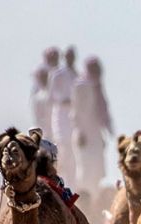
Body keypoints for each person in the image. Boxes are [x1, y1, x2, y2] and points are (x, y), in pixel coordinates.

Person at [71, 57, 113, 192]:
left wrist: (106, 131)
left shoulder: (97, 85)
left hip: (95, 132)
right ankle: (84, 198)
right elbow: (76, 109)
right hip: (83, 133)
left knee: (98, 167)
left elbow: (102, 109)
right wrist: (80, 131)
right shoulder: (81, 85)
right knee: (85, 167)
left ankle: (95, 197)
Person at [48, 46, 78, 181]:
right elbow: (52, 94)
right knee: (62, 145)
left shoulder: (77, 74)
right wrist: (63, 100)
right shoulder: (57, 74)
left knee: (73, 149)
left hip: (73, 115)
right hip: (60, 113)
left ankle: (72, 180)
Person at [31, 67, 52, 138]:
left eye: (45, 76)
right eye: (42, 77)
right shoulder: (38, 96)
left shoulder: (53, 93)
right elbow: (37, 115)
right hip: (44, 128)